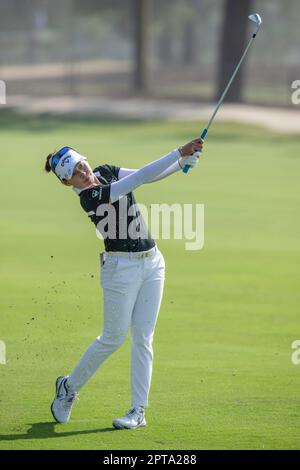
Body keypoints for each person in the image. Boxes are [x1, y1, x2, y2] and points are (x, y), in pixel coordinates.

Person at [45, 137, 203, 429]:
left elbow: (148, 175)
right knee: (113, 338)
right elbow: (140, 178)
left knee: (144, 338)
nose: (85, 172)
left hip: (153, 262)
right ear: (68, 183)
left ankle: (138, 411)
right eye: (77, 173)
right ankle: (68, 388)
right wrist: (178, 152)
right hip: (120, 269)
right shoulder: (89, 198)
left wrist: (182, 162)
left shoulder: (105, 171)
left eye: (83, 165)